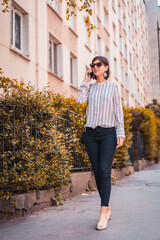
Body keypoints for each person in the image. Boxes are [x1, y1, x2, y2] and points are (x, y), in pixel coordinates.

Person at [76, 56, 125, 231]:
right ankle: (107, 206)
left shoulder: (112, 87)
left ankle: (103, 212)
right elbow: (80, 100)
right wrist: (85, 81)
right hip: (91, 134)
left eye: (98, 65)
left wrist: (120, 132)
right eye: (93, 65)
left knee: (105, 170)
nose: (95, 67)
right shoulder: (90, 87)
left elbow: (117, 111)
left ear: (105, 68)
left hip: (108, 133)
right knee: (97, 172)